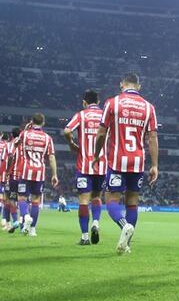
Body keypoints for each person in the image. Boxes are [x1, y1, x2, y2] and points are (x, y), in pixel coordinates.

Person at [94, 73, 159, 255]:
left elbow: (101, 133)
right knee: (132, 202)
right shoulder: (149, 107)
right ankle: (127, 244)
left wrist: (96, 154)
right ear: (139, 86)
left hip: (117, 161)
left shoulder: (112, 103)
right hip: (137, 161)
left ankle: (124, 226)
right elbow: (152, 137)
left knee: (111, 200)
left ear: (121, 84)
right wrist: (154, 165)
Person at [63, 89, 107, 245]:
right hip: (102, 165)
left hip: (84, 166)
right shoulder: (104, 115)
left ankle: (85, 237)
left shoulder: (81, 115)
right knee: (96, 197)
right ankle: (96, 221)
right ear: (99, 101)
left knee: (83, 200)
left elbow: (67, 130)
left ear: (84, 102)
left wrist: (72, 143)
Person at [10, 113, 58, 237]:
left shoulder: (24, 134)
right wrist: (54, 174)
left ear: (31, 121)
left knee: (22, 198)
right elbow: (51, 157)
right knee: (36, 201)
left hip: (26, 172)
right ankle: (32, 230)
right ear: (43, 123)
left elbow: (14, 145)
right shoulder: (48, 138)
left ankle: (26, 216)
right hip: (39, 173)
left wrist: (25, 129)